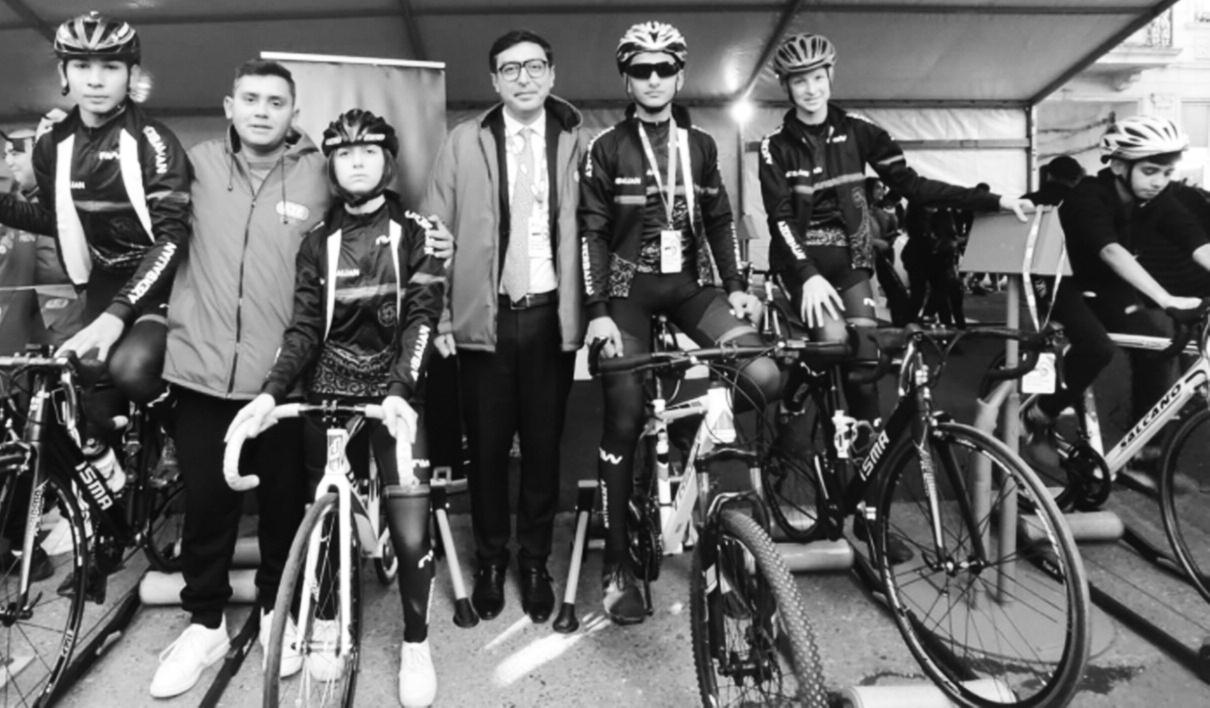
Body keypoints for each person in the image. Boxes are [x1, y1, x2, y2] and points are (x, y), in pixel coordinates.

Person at [229, 109, 445, 708]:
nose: (356, 162)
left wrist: (401, 389)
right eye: (344, 153)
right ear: (331, 166)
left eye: (368, 151)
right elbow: (302, 329)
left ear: (387, 162)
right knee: (324, 517)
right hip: (328, 387)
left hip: (396, 388)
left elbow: (422, 319)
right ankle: (324, 619)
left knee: (410, 533)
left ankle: (416, 640)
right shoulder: (316, 242)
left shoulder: (418, 232)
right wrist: (271, 393)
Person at [580, 21, 779, 625]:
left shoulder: (701, 146)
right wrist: (598, 314)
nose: (653, 79)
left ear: (679, 75)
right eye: (641, 69)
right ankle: (617, 562)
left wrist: (738, 287)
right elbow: (591, 235)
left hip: (689, 287)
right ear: (626, 79)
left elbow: (719, 222)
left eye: (664, 68)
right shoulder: (606, 146)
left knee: (763, 375)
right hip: (626, 293)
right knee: (622, 413)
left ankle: (697, 461)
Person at [149, 59, 328, 699]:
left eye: (276, 102)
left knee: (283, 503)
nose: (261, 111)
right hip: (200, 371)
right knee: (207, 505)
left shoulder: (320, 172)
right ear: (229, 106)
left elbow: (376, 218)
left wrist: (433, 238)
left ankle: (279, 610)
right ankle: (205, 624)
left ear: (293, 113)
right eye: (250, 99)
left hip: (281, 380)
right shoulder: (194, 164)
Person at [758, 33, 1030, 424]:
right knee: (832, 344)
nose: (811, 89)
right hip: (802, 265)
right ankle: (794, 395)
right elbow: (780, 218)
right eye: (799, 81)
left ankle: (866, 446)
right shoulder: (774, 145)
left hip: (851, 262)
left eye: (817, 77)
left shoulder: (859, 130)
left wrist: (994, 200)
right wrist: (807, 274)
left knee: (865, 363)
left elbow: (914, 186)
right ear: (785, 85)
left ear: (830, 75)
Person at [422, 29, 584, 625]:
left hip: (549, 317)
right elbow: (433, 231)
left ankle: (535, 561)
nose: (523, 78)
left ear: (551, 74)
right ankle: (490, 561)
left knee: (542, 448)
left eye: (534, 66)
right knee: (487, 451)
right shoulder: (463, 142)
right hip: (483, 320)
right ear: (494, 81)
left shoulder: (576, 142)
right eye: (510, 69)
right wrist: (441, 314)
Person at [0, 10, 189, 422]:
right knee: (88, 407)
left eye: (111, 67)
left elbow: (173, 235)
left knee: (131, 370)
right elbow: (56, 220)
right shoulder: (52, 145)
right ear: (63, 73)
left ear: (132, 74)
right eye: (82, 66)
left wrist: (118, 314)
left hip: (163, 283)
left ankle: (183, 434)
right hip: (102, 282)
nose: (96, 80)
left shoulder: (154, 140)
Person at [1024, 115, 1207, 464]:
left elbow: (1196, 241)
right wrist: (1166, 299)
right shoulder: (1089, 196)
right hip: (1060, 279)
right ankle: (1039, 415)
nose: (1159, 181)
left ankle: (1144, 456)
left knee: (1158, 348)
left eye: (1167, 172)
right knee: (1096, 347)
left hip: (1105, 283)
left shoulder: (1158, 198)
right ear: (1120, 165)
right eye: (1150, 171)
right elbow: (1110, 250)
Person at [0, 127, 82, 353]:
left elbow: (57, 269)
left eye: (16, 153)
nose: (9, 161)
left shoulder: (67, 197)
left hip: (64, 319)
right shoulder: (16, 203)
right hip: (26, 321)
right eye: (5, 155)